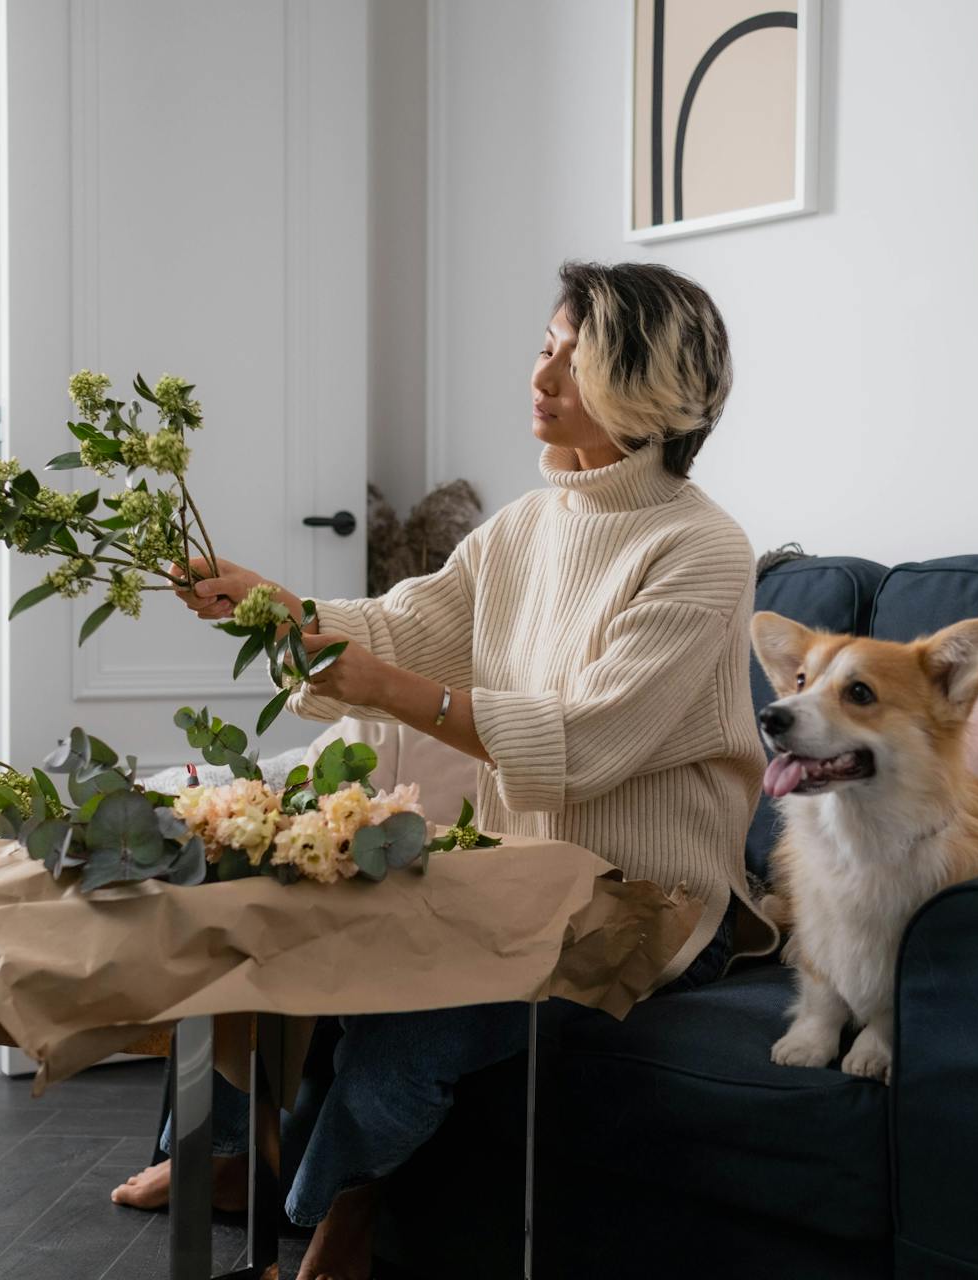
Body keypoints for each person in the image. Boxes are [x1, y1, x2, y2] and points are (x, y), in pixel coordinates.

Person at [111, 260, 771, 1280]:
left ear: (642, 386)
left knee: (412, 1016)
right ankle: (231, 1158)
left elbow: (587, 742)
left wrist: (385, 684)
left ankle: (334, 1212)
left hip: (649, 895)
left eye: (571, 353)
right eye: (544, 344)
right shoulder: (523, 526)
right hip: (520, 869)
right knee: (273, 909)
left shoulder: (702, 550)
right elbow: (401, 628)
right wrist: (269, 604)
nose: (539, 372)